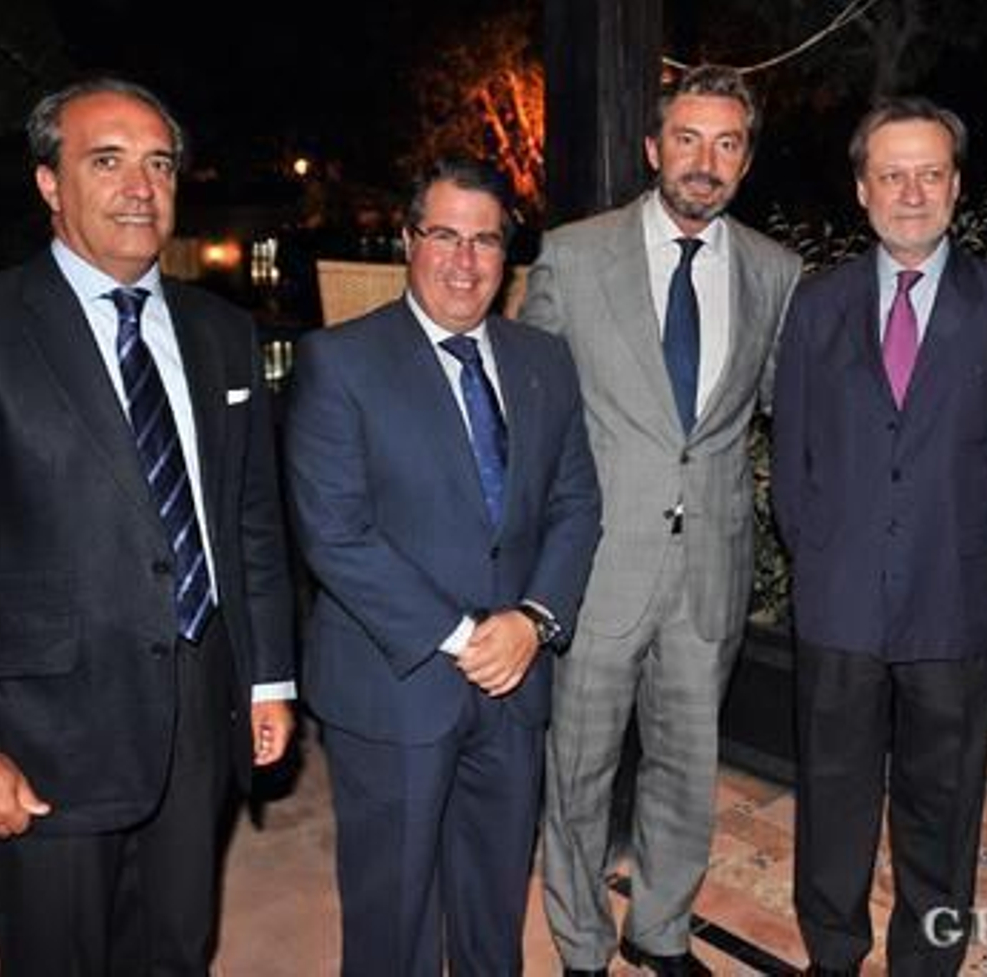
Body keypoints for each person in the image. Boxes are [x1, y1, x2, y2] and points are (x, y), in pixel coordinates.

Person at [0, 77, 296, 976]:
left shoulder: (223, 331)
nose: (140, 187)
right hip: (42, 736)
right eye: (106, 161)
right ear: (50, 185)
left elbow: (250, 519)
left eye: (159, 164)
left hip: (197, 714)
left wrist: (268, 680)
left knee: (177, 951)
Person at [285, 157, 601, 976]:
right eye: (445, 236)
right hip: (395, 685)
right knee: (395, 918)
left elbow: (577, 505)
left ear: (508, 255)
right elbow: (335, 533)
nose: (465, 261)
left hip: (516, 684)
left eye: (486, 240)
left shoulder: (545, 361)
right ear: (406, 241)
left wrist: (533, 621)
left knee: (494, 905)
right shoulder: (339, 362)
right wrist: (466, 635)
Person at [520, 64, 802, 975]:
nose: (704, 161)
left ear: (746, 160)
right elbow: (534, 412)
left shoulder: (776, 271)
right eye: (688, 138)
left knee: (688, 767)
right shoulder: (574, 252)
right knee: (578, 769)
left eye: (727, 144)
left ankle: (662, 930)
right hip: (597, 561)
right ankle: (580, 943)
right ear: (653, 147)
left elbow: (778, 410)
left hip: (711, 567)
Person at [770, 97, 987, 976]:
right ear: (861, 189)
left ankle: (927, 960)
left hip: (957, 603)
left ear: (956, 187)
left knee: (944, 802)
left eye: (929, 173)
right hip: (839, 599)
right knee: (834, 799)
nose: (910, 192)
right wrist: (827, 558)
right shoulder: (818, 306)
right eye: (892, 174)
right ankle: (833, 953)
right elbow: (794, 454)